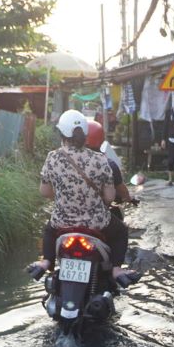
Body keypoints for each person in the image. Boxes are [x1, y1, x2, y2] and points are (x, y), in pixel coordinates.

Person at [29, 110, 135, 286]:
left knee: (49, 228)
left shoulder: (53, 158)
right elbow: (109, 197)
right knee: (121, 231)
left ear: (61, 133)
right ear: (84, 134)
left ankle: (46, 261)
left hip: (62, 222)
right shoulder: (100, 160)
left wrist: (65, 195)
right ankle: (117, 270)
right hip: (97, 223)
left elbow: (45, 192)